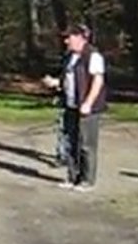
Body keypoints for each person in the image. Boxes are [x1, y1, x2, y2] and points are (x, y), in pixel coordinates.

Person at [42, 24, 107, 192]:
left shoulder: (93, 56)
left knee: (87, 144)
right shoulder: (70, 57)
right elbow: (67, 80)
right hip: (70, 104)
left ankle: (87, 180)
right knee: (70, 142)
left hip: (87, 108)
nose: (65, 41)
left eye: (68, 37)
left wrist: (88, 103)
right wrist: (55, 83)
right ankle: (72, 177)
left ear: (79, 37)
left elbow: (97, 81)